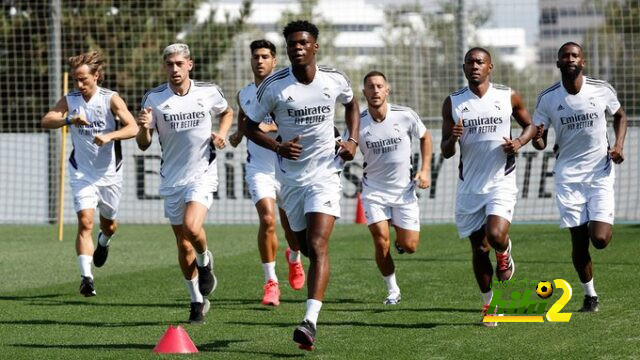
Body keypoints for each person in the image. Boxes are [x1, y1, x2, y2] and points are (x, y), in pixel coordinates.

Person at [244, 20, 359, 350]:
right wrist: (277, 146)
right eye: (292, 43)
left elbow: (352, 104)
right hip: (290, 178)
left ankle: (309, 322)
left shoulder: (334, 79)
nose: (297, 47)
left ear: (314, 46)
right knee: (305, 246)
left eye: (303, 42)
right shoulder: (274, 87)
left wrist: (351, 139)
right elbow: (250, 128)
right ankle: (294, 255)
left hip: (325, 173)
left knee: (319, 245)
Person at [136, 43, 233, 324]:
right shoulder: (154, 98)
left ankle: (205, 261)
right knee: (182, 244)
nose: (174, 69)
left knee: (192, 227)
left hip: (202, 173)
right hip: (172, 177)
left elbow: (226, 113)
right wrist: (143, 127)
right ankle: (196, 302)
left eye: (179, 63)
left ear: (190, 64)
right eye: (170, 64)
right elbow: (143, 145)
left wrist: (222, 134)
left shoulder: (208, 92)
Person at [440, 47, 535, 327]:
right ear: (464, 67)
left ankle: (504, 253)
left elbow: (530, 125)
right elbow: (446, 151)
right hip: (470, 185)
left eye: (480, 62)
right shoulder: (454, 102)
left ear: (490, 67)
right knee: (479, 250)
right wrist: (453, 139)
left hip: (501, 180)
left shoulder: (507, 96)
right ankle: (489, 305)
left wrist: (518, 143)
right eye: (470, 62)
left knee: (495, 235)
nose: (475, 66)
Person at [532, 42, 627, 313]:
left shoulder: (601, 89)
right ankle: (590, 295)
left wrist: (617, 146)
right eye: (565, 56)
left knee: (600, 239)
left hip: (599, 173)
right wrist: (537, 138)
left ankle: (595, 221)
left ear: (582, 61)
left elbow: (620, 116)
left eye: (575, 55)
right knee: (578, 240)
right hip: (568, 177)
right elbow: (540, 142)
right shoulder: (548, 98)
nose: (570, 59)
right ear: (558, 62)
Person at [41, 51, 138, 297]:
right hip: (81, 172)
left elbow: (133, 127)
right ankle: (86, 278)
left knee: (110, 225)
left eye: (84, 79)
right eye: (76, 79)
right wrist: (69, 120)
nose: (79, 84)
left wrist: (109, 136)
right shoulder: (71, 99)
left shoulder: (110, 99)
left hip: (109, 174)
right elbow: (47, 120)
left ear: (96, 76)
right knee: (85, 221)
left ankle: (104, 241)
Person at [228, 39, 306, 306]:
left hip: (287, 169)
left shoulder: (287, 91)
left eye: (264, 57)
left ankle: (294, 257)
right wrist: (238, 135)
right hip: (259, 168)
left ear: (274, 61)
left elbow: (290, 127)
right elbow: (245, 122)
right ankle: (271, 282)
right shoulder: (244, 94)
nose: (259, 61)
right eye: (255, 57)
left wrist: (269, 129)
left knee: (293, 228)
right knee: (268, 220)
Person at [357, 71, 432, 305]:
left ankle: (401, 242)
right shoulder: (357, 123)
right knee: (381, 240)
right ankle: (392, 290)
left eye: (380, 86)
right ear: (364, 92)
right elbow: (346, 148)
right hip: (374, 192)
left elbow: (426, 137)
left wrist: (425, 169)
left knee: (409, 246)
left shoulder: (405, 115)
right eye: (370, 87)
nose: (375, 90)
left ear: (387, 90)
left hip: (403, 192)